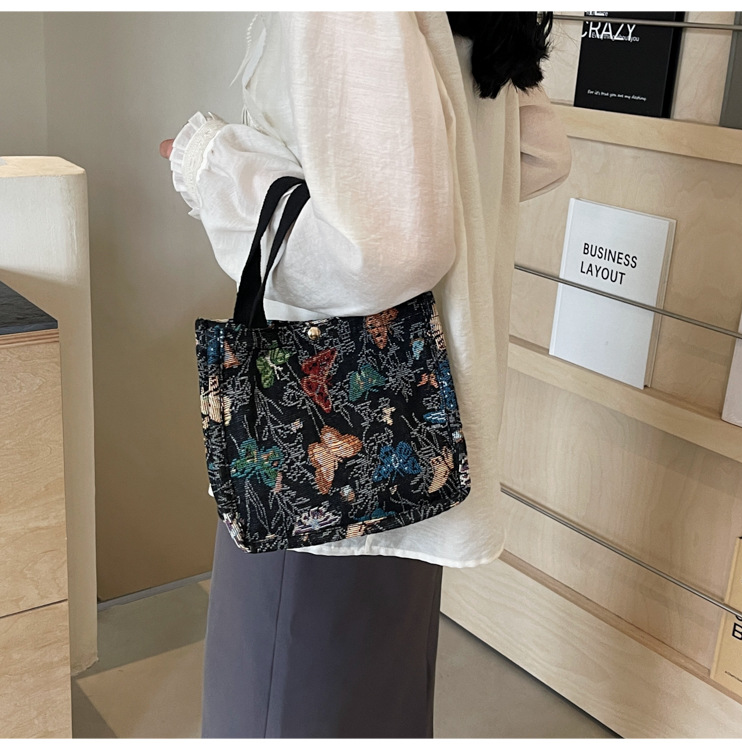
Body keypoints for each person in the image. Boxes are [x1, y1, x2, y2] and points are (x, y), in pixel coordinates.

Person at [160, 11, 570, 739]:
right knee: (380, 704)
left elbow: (385, 252)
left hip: (314, 469)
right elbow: (538, 151)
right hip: (424, 433)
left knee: (279, 706)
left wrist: (209, 162)